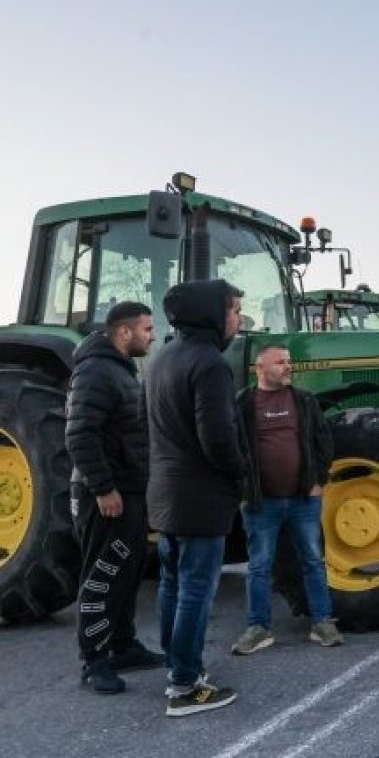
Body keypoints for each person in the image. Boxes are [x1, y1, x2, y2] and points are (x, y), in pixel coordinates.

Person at [146, 279, 247, 717]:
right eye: (233, 311)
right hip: (201, 498)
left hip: (167, 496)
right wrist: (242, 475)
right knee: (195, 591)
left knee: (172, 584)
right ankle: (185, 686)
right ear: (211, 314)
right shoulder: (210, 364)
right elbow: (218, 438)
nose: (238, 320)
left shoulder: (162, 358)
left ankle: (177, 666)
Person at [67, 301, 163, 694]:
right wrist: (103, 488)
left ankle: (123, 646)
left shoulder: (120, 369)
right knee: (103, 575)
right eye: (146, 329)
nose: (152, 335)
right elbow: (80, 435)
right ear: (123, 332)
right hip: (106, 495)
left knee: (128, 572)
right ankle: (94, 662)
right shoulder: (94, 372)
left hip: (129, 490)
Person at [232, 344, 341, 655]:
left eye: (288, 362)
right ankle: (258, 628)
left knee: (313, 561)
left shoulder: (304, 401)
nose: (288, 367)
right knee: (259, 566)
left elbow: (323, 441)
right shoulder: (242, 404)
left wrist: (319, 481)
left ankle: (322, 623)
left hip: (303, 501)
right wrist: (243, 489)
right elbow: (233, 448)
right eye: (280, 363)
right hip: (260, 503)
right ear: (260, 369)